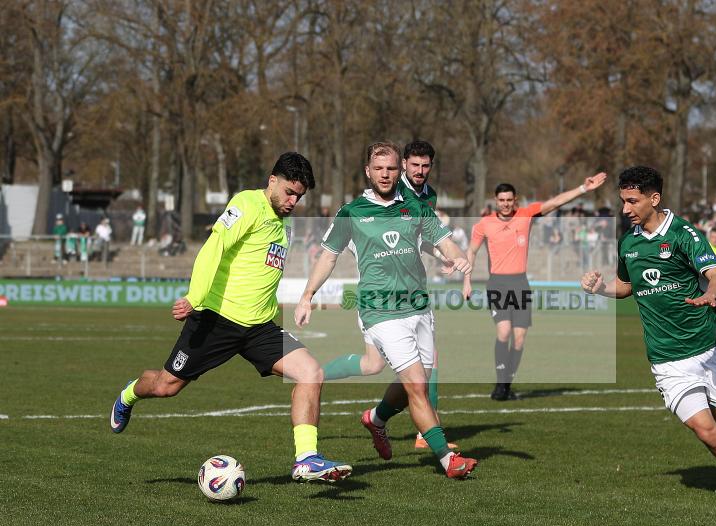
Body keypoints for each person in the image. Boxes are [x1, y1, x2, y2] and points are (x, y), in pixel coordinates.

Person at [109, 152, 351, 483]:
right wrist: (194, 297)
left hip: (260, 328)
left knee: (311, 372)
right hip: (216, 321)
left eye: (299, 196)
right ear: (272, 181)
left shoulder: (283, 225)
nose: (293, 201)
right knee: (166, 387)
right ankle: (129, 394)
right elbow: (213, 248)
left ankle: (306, 459)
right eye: (289, 193)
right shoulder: (247, 205)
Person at [581, 166, 716, 502]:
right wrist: (600, 288)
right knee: (707, 432)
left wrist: (711, 292)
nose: (625, 209)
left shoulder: (683, 234)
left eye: (632, 201)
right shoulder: (628, 243)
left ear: (654, 198)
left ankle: (707, 395)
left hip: (707, 347)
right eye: (623, 201)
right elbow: (625, 286)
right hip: (668, 360)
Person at [295, 141, 477, 479]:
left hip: (419, 306)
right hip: (380, 311)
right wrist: (307, 294)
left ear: (399, 170)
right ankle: (447, 461)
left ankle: (376, 419)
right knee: (417, 387)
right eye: (379, 169)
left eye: (391, 169)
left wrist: (457, 256)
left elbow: (440, 239)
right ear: (368, 171)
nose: (385, 174)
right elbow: (329, 256)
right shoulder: (351, 212)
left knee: (412, 381)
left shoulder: (416, 206)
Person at [319, 140, 458, 451]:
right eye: (414, 165)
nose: (420, 171)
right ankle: (428, 433)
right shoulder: (394, 195)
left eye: (426, 166)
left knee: (372, 365)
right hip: (382, 295)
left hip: (409, 293)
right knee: (423, 367)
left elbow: (417, 237)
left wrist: (443, 253)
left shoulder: (427, 197)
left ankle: (374, 417)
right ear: (404, 166)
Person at [463, 173, 607, 400]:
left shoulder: (526, 215)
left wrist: (582, 188)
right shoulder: (485, 224)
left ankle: (507, 385)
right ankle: (500, 385)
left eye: (509, 200)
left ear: (515, 200)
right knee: (503, 332)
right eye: (501, 200)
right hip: (498, 284)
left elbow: (555, 202)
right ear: (495, 200)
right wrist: (467, 280)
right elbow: (470, 251)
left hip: (520, 283)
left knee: (519, 339)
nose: (506, 204)